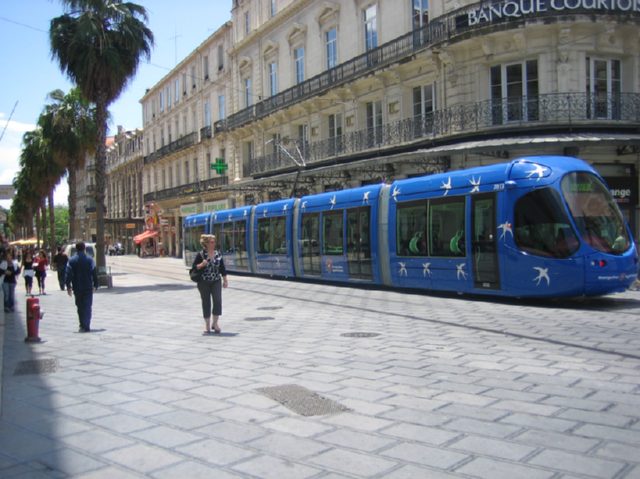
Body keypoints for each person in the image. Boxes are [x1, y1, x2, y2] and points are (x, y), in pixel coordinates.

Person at [192, 234, 228, 334]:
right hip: (204, 282)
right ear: (206, 244)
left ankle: (215, 323)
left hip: (216, 281)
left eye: (214, 242)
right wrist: (201, 264)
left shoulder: (218, 254)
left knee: (217, 301)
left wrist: (225, 280)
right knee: (206, 302)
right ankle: (207, 325)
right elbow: (194, 267)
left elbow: (222, 268)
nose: (214, 244)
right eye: (212, 242)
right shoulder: (201, 255)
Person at [65, 241, 99, 332]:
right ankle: (86, 325)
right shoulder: (90, 260)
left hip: (77, 287)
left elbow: (68, 274)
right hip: (88, 286)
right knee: (87, 306)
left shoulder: (71, 261)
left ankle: (82, 325)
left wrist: (68, 286)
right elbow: (94, 273)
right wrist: (96, 284)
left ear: (76, 249)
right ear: (84, 248)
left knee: (80, 306)